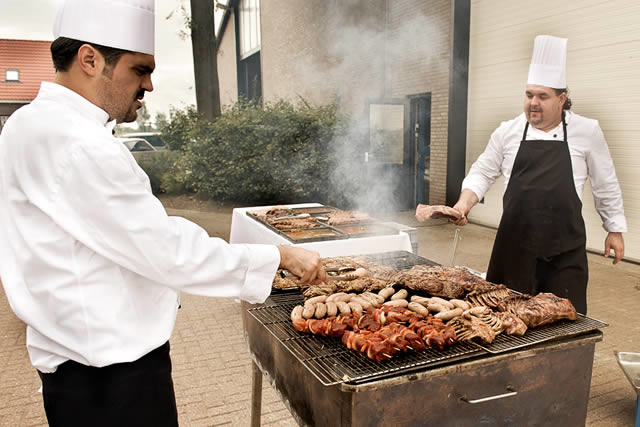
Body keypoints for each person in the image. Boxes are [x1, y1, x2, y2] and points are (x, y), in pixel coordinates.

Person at [0, 1, 327, 426]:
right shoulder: (76, 142)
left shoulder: (29, 124)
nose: (150, 85)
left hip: (81, 368)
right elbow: (166, 250)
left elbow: (133, 234)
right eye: (140, 70)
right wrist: (278, 256)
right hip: (110, 381)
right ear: (89, 60)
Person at [449, 35, 627, 315]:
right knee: (506, 321)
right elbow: (482, 172)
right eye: (529, 94)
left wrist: (613, 229)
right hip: (513, 248)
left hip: (564, 253)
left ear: (561, 99)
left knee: (566, 321)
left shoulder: (587, 131)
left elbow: (605, 183)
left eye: (543, 96)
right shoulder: (508, 131)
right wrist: (463, 205)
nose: (533, 102)